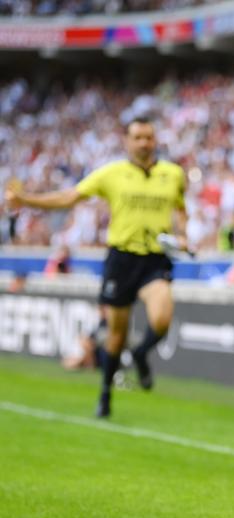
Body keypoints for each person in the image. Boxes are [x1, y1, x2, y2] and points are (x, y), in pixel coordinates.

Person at [4, 117, 188, 418]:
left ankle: (140, 354)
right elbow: (69, 197)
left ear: (155, 141)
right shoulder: (111, 174)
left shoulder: (173, 174)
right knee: (116, 333)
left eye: (149, 137)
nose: (144, 142)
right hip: (121, 259)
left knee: (163, 317)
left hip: (155, 258)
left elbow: (181, 210)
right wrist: (26, 199)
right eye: (138, 137)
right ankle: (105, 393)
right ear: (127, 142)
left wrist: (183, 234)